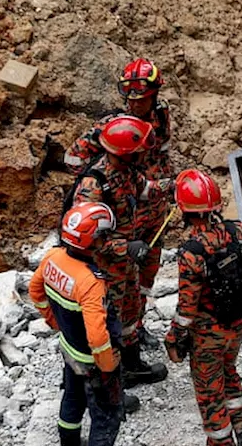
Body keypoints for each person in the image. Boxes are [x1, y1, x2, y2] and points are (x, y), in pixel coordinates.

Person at [29, 203, 147, 446]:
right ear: (91, 241)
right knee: (106, 419)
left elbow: (35, 290)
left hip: (70, 350)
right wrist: (108, 367)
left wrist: (53, 321)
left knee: (71, 399)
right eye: (102, 237)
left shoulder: (53, 258)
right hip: (94, 362)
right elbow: (98, 335)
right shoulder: (90, 282)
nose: (105, 241)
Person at [64, 59, 176, 352]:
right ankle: (114, 343)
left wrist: (164, 186)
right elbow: (73, 159)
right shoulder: (114, 126)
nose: (134, 104)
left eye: (141, 99)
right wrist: (104, 186)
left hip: (154, 205)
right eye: (130, 98)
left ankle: (135, 328)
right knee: (121, 280)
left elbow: (162, 157)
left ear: (154, 94)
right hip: (127, 216)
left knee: (146, 276)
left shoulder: (162, 116)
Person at [164, 169, 242, 446]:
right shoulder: (239, 232)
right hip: (236, 325)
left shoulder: (192, 250)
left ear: (184, 209)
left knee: (209, 395)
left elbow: (187, 307)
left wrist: (174, 337)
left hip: (207, 335)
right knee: (229, 376)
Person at [64, 114, 169, 388]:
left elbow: (145, 190)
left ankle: (133, 366)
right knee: (109, 321)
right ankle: (111, 381)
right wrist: (126, 246)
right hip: (104, 269)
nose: (144, 156)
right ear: (126, 154)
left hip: (125, 266)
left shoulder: (127, 172)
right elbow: (85, 238)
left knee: (131, 314)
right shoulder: (93, 185)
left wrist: (172, 186)